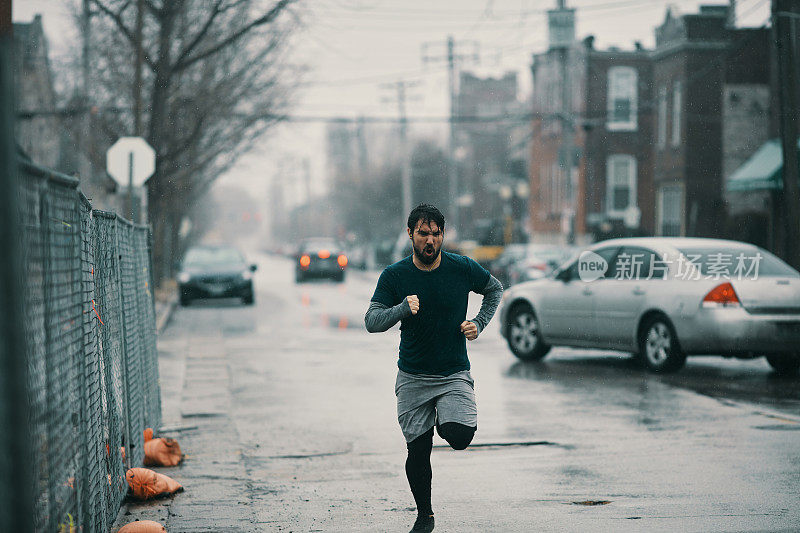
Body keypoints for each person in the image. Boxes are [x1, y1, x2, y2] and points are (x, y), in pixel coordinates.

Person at [365, 204, 503, 533]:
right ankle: (424, 516)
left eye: (436, 234)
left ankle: (445, 415)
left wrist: (479, 323)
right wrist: (401, 309)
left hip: (453, 373)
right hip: (413, 375)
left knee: (459, 436)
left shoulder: (461, 267)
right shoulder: (395, 275)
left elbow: (494, 289)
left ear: (443, 236)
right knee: (418, 449)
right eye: (423, 233)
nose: (430, 240)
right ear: (410, 234)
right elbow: (371, 321)